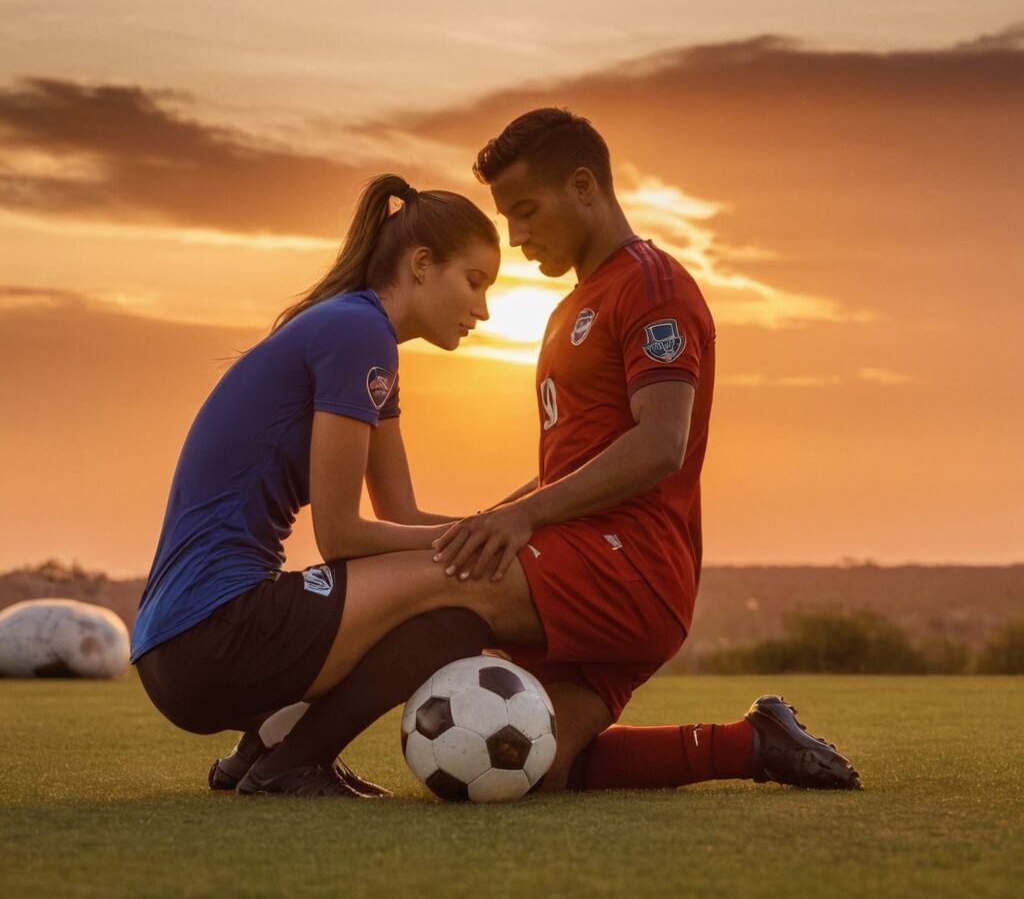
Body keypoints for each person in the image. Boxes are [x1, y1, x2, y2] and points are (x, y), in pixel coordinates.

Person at [205, 110, 861, 797]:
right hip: (579, 563)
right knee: (540, 765)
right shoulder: (566, 310)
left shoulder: (652, 286)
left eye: (525, 212)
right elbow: (562, 471)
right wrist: (494, 516)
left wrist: (516, 523)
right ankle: (753, 743)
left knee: (428, 579)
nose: (516, 239)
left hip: (629, 566)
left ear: (584, 187)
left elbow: (660, 443)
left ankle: (286, 749)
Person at [132, 174, 509, 797]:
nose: (484, 309)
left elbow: (403, 515)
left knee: (455, 580)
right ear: (421, 265)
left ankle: (259, 753)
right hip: (213, 636)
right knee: (460, 599)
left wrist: (510, 520)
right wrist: (484, 541)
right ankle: (293, 763)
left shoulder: (361, 338)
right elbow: (341, 535)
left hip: (175, 651)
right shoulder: (358, 333)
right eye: (475, 281)